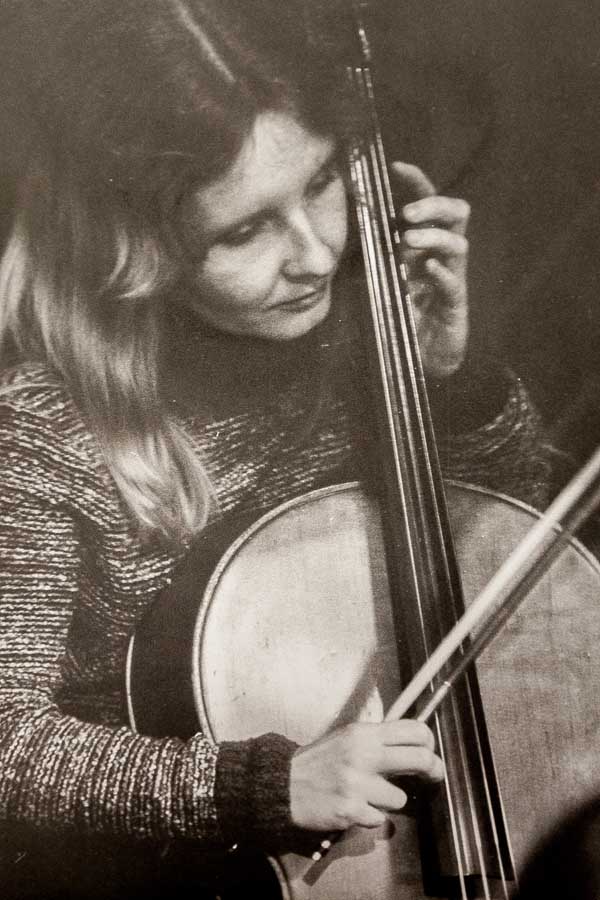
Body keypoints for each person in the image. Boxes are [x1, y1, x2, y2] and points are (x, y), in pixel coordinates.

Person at [0, 1, 554, 897]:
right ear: (133, 248)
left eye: (323, 181)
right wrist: (256, 786)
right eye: (244, 230)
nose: (314, 252)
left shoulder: (364, 329)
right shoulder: (44, 434)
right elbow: (6, 744)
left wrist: (448, 383)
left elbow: (510, 584)